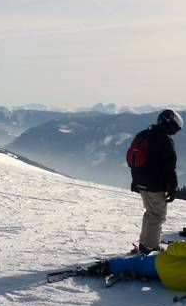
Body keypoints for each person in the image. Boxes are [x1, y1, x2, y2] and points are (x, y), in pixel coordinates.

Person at [131, 108, 183, 253]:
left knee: (150, 213)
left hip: (141, 182)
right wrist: (172, 187)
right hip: (155, 186)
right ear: (170, 123)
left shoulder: (144, 134)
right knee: (157, 215)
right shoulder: (165, 139)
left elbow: (134, 160)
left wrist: (135, 180)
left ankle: (145, 243)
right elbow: (169, 167)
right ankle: (150, 247)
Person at [75, 239, 186, 290]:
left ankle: (100, 268)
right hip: (175, 284)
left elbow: (173, 249)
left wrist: (177, 243)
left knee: (135, 263)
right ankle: (147, 275)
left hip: (163, 265)